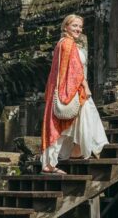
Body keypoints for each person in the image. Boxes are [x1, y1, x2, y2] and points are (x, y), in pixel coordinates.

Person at [41, 14, 108, 174]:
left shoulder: (63, 43)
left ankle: (75, 152)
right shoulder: (68, 44)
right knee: (68, 123)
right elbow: (75, 71)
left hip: (68, 88)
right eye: (74, 26)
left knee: (73, 123)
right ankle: (53, 162)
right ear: (65, 27)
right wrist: (86, 87)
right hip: (72, 89)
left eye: (80, 26)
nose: (78, 29)